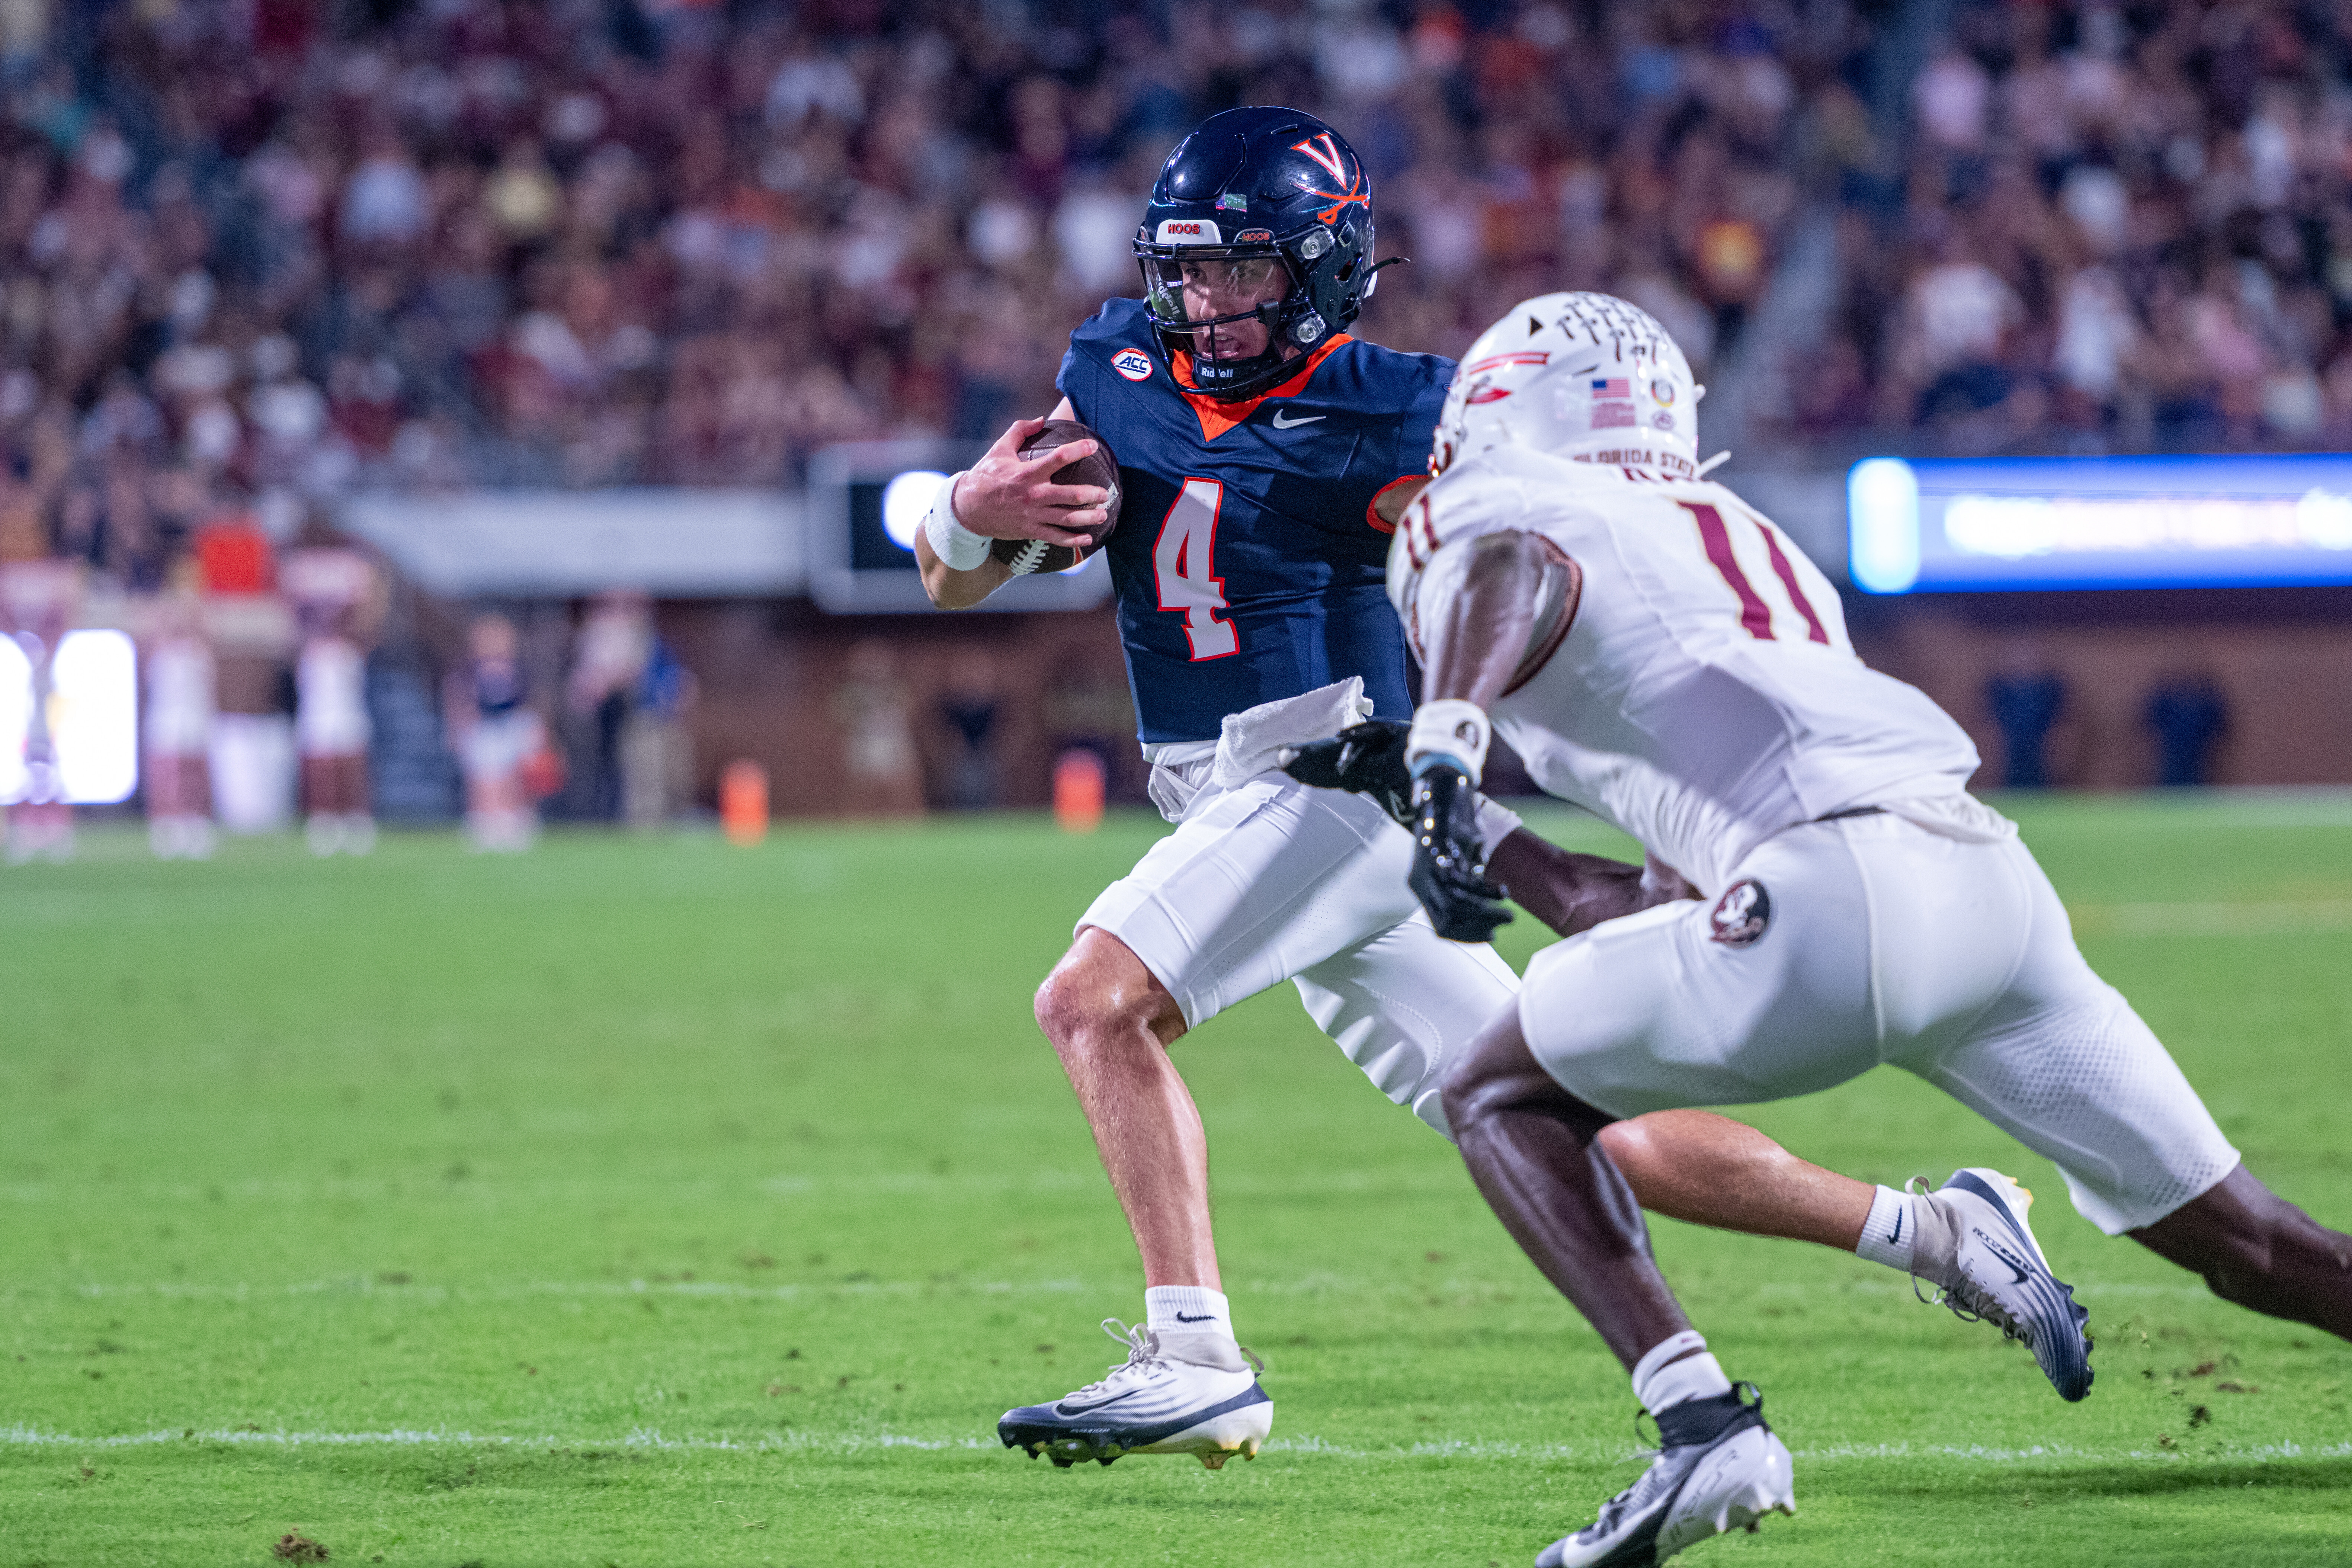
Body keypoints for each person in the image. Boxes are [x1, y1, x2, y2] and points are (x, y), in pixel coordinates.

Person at [920, 109, 2058, 1476]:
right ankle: (1941, 1229)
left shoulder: (1408, 410)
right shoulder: (1111, 365)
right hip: (1236, 800)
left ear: (1328, 267)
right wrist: (963, 519)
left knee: (1092, 1001)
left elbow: (1562, 549)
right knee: (1584, 1122)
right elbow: (967, 571)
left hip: (1334, 774)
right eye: (1192, 271)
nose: (1211, 305)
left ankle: (1194, 1356)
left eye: (1245, 273)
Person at [1358, 292, 2352, 1566]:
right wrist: (1460, 818)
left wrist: (1443, 752)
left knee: (1492, 1086)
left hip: (1827, 900)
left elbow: (1510, 566)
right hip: (1984, 897)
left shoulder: (1493, 513)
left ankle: (1702, 1423)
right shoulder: (1734, 535)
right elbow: (1639, 904)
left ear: (1500, 408)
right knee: (2249, 1239)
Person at [446, 613, 544, 852]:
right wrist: (458, 729)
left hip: (510, 727)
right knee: (484, 779)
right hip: (483, 731)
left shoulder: (519, 672)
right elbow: (459, 702)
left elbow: (531, 703)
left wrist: (534, 730)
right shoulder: (468, 673)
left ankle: (515, 820)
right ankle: (484, 820)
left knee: (513, 777)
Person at [144, 590, 217, 860]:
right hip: (167, 718)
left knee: (194, 772)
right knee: (168, 773)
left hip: (193, 716)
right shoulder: (162, 654)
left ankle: (195, 820)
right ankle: (168, 821)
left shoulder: (198, 653)